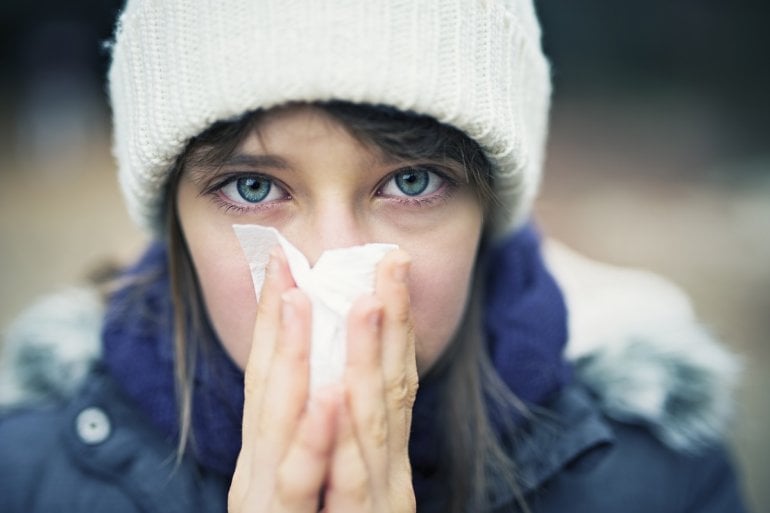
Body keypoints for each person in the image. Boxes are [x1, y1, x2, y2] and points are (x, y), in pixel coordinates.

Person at [0, 1, 749, 512]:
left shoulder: (659, 479)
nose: (339, 273)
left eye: (410, 181)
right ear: (174, 224)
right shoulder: (28, 475)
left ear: (487, 211)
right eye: (254, 186)